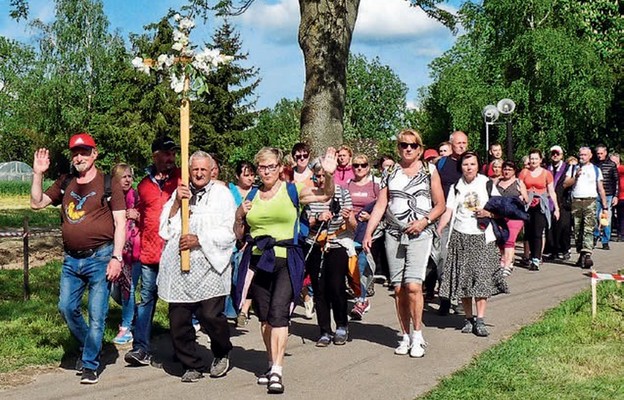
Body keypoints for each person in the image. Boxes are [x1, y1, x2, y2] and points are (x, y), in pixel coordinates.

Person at [233, 147, 337, 394]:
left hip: (287, 258)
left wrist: (329, 175)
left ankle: (278, 370)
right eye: (262, 167)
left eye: (271, 166)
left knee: (279, 314)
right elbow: (239, 234)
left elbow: (325, 195)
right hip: (258, 260)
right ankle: (270, 363)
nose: (266, 171)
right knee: (266, 317)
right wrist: (239, 216)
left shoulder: (293, 190)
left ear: (280, 167)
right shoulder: (252, 196)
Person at [30, 133, 126, 384]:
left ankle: (90, 363)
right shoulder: (66, 181)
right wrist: (38, 173)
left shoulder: (108, 183)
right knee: (66, 307)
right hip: (71, 260)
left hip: (101, 257)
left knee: (97, 314)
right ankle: (92, 345)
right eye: (75, 153)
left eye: (84, 152)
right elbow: (36, 203)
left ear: (95, 154)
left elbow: (120, 222)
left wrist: (117, 257)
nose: (79, 157)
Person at [363, 129, 446, 358]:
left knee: (413, 285)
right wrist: (368, 233)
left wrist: (424, 221)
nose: (407, 149)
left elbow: (440, 204)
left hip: (420, 233)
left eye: (412, 145)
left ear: (419, 149)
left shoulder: (430, 170)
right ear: (398, 147)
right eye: (403, 145)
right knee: (399, 288)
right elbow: (381, 205)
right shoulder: (390, 172)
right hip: (393, 234)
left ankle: (418, 335)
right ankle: (405, 334)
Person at [157, 151, 236, 382]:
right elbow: (165, 229)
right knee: (179, 320)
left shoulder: (222, 195)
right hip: (181, 267)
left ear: (211, 171)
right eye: (195, 170)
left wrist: (199, 239)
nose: (199, 174)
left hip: (210, 265)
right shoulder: (179, 193)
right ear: (189, 171)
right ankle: (190, 363)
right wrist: (175, 205)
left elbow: (229, 230)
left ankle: (221, 351)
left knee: (211, 316)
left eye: (203, 169)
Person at [437, 151, 509, 337]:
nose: (469, 168)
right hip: (460, 236)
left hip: (482, 236)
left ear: (478, 166)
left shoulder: (486, 184)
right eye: (465, 164)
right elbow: (449, 210)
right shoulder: (456, 187)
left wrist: (489, 214)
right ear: (461, 167)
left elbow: (501, 208)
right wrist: (440, 227)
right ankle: (468, 319)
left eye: (472, 164)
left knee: (482, 278)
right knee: (464, 279)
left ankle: (480, 319)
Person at [125, 136, 181, 366]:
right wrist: (133, 215)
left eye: (173, 153)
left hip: (176, 251)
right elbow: (140, 214)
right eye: (166, 153)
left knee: (178, 302)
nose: (170, 158)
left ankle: (182, 347)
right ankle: (141, 348)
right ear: (155, 155)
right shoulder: (144, 185)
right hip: (150, 252)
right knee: (146, 299)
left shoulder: (181, 179)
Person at [305, 163, 355, 346]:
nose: (319, 180)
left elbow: (352, 225)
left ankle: (342, 325)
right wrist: (317, 219)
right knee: (319, 289)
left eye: (322, 176)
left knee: (336, 286)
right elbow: (306, 222)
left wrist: (348, 216)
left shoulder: (342, 192)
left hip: (337, 242)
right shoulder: (309, 194)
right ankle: (324, 330)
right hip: (315, 243)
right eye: (316, 176)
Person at [435, 130, 468, 315]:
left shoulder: (471, 163)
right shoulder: (442, 163)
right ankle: (445, 297)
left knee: (463, 259)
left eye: (465, 143)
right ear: (451, 144)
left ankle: (461, 299)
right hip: (444, 216)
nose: (462, 146)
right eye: (459, 143)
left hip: (465, 217)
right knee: (443, 258)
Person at [111, 163, 142, 345]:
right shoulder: (109, 199)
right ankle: (137, 314)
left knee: (127, 289)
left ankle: (126, 327)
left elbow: (149, 217)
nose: (128, 180)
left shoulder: (136, 197)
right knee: (116, 292)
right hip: (114, 250)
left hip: (133, 251)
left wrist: (138, 216)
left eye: (130, 176)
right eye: (124, 176)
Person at [346, 154, 379, 320]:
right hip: (350, 230)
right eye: (356, 165)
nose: (359, 168)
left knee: (361, 266)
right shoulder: (348, 185)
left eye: (363, 165)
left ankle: (362, 300)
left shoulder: (375, 186)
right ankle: (358, 295)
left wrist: (370, 217)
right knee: (350, 268)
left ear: (368, 167)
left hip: (366, 231)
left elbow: (383, 206)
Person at [563, 147, 608, 268]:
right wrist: (575, 177)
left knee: (588, 228)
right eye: (580, 154)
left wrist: (605, 207)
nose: (582, 157)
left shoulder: (596, 170)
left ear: (590, 156)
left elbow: (601, 188)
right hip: (576, 201)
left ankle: (587, 253)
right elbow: (565, 184)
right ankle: (581, 253)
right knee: (578, 229)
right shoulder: (573, 168)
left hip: (590, 201)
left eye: (584, 155)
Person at [518, 149, 559, 271]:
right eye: (531, 158)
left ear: (540, 160)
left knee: (538, 232)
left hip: (541, 205)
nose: (533, 161)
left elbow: (552, 191)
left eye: (536, 158)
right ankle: (530, 256)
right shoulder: (524, 172)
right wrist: (524, 195)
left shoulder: (546, 174)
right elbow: (520, 186)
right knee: (529, 232)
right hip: (527, 205)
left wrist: (556, 208)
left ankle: (536, 258)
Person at [228, 161, 256, 327]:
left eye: (252, 174)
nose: (250, 178)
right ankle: (231, 307)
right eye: (246, 175)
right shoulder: (230, 191)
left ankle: (244, 310)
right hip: (231, 238)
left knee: (247, 276)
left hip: (251, 240)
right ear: (238, 176)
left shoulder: (257, 192)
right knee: (233, 277)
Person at [495, 161, 528, 276]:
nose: (506, 171)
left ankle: (507, 264)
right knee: (500, 240)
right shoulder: (497, 182)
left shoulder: (518, 182)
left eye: (509, 169)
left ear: (514, 171)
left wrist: (520, 198)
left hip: (515, 216)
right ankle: (504, 259)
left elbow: (526, 199)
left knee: (510, 240)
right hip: (499, 216)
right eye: (505, 169)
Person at [545, 146, 572, 261]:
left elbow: (569, 182)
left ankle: (565, 249)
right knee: (551, 228)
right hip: (549, 201)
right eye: (553, 153)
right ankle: (554, 251)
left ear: (562, 155)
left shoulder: (568, 168)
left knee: (564, 227)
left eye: (557, 154)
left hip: (563, 201)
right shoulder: (547, 168)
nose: (555, 156)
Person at [593, 144, 619, 250]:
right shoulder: (594, 165)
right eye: (598, 153)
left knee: (605, 217)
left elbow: (616, 181)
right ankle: (595, 236)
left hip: (608, 194)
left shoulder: (611, 165)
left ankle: (605, 240)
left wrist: (615, 196)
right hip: (595, 194)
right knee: (594, 217)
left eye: (601, 153)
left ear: (605, 153)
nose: (599, 155)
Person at [613, 153, 624, 241]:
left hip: (622, 196)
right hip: (614, 195)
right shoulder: (611, 169)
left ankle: (620, 233)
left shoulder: (621, 169)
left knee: (621, 215)